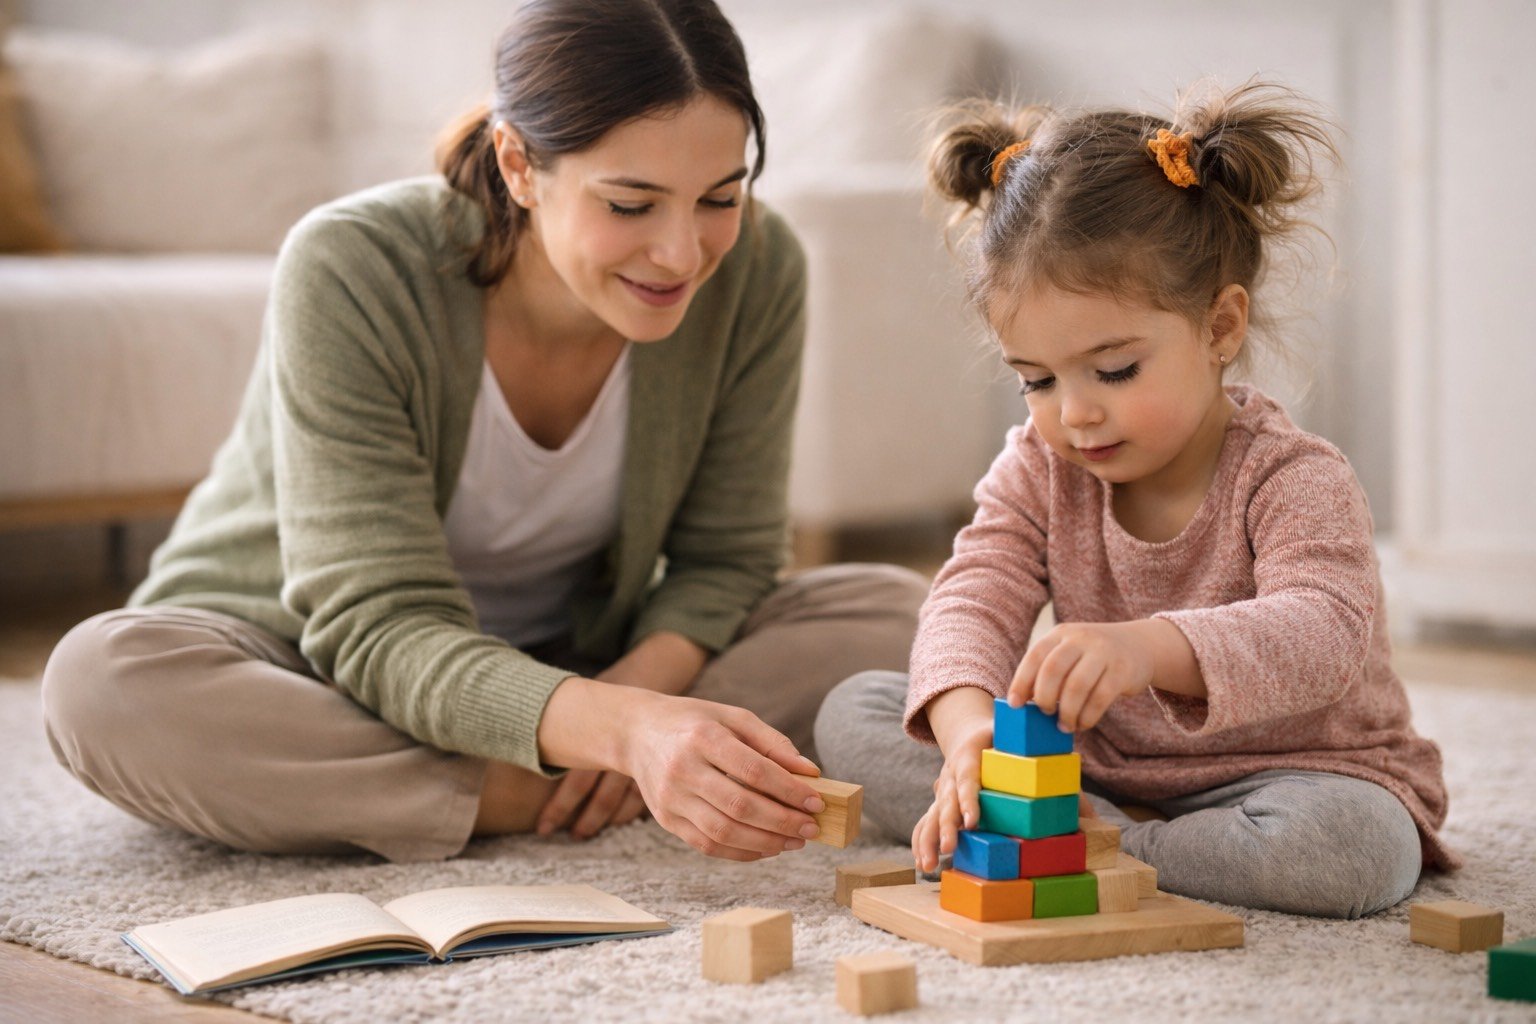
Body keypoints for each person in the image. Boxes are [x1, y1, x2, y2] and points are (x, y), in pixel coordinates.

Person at [40, 0, 927, 864]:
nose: (683, 254)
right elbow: (377, 622)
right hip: (325, 663)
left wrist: (629, 702)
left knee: (897, 612)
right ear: (517, 165)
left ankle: (568, 771)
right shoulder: (352, 265)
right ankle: (533, 793)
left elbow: (726, 560)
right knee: (102, 685)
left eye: (719, 197)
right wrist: (624, 734)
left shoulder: (760, 269)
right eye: (631, 204)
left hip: (576, 658)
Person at [814, 81, 1457, 919]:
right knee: (854, 712)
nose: (1073, 412)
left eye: (1114, 370)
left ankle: (1100, 844)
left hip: (1293, 775)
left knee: (1356, 852)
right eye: (1036, 380)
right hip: (1089, 768)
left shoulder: (1295, 475)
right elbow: (974, 594)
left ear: (1221, 328)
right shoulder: (1041, 465)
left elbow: (1322, 632)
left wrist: (1148, 648)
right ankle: (1073, 824)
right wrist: (970, 734)